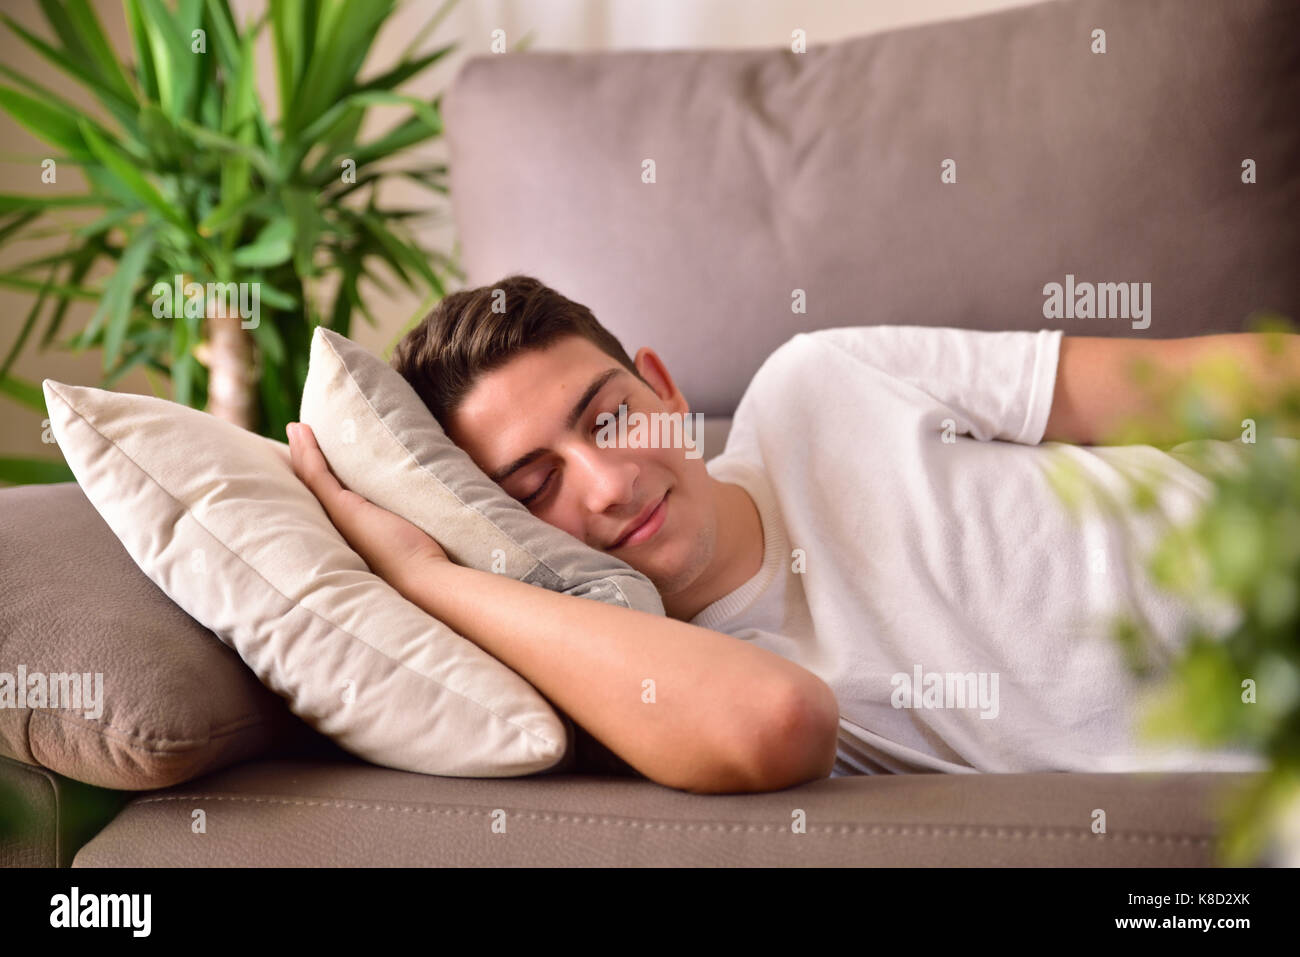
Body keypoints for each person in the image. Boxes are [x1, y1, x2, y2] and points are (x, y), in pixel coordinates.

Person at [286, 274, 1298, 793]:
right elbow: (776, 723)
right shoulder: (652, 682)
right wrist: (422, 577)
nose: (606, 481)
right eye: (534, 486)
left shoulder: (821, 381)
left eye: (608, 418)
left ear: (667, 388)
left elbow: (1203, 387)